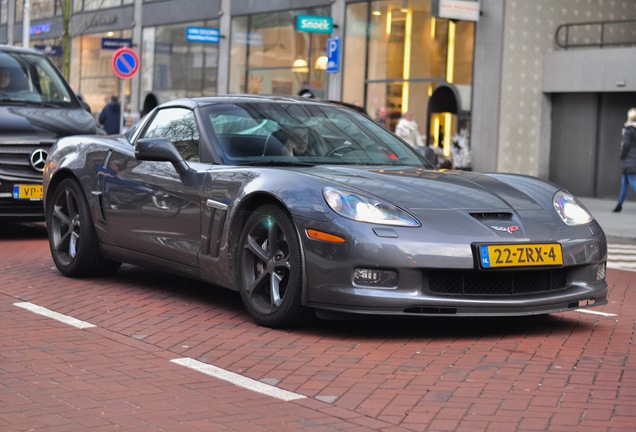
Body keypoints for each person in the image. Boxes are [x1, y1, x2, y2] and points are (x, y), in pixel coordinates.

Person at [612, 107, 636, 213]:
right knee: (625, 183)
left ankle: (619, 205)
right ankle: (619, 205)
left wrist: (622, 155)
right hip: (633, 159)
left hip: (628, 160)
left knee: (634, 183)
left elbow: (625, 145)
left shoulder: (628, 129)